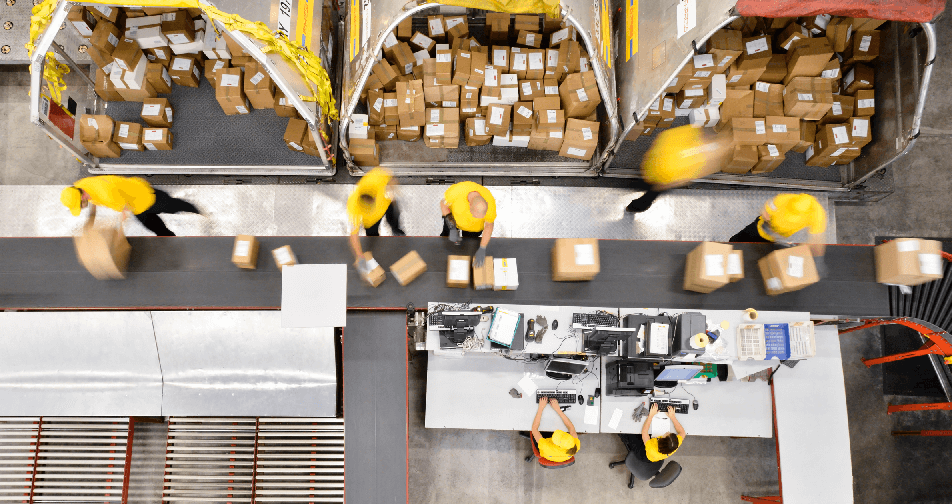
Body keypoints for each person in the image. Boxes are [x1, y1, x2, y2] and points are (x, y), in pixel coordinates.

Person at [626, 125, 731, 213]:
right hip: (660, 181)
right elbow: (683, 180)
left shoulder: (689, 133)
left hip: (650, 169)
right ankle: (634, 207)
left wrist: (647, 160)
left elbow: (662, 136)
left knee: (640, 184)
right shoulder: (704, 161)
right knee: (647, 198)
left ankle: (633, 188)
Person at [60, 175, 200, 236]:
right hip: (133, 201)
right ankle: (169, 239)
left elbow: (124, 211)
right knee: (156, 228)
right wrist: (91, 219)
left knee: (172, 206)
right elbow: (94, 202)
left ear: (82, 197)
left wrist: (119, 230)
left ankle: (194, 209)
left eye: (79, 205)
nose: (81, 208)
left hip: (144, 197)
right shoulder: (79, 185)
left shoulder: (107, 195)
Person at [728, 193, 827, 257]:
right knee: (739, 238)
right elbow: (765, 211)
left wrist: (804, 249)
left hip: (776, 237)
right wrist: (769, 226)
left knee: (756, 253)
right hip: (761, 228)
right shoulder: (784, 199)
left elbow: (817, 239)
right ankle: (730, 245)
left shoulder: (817, 214)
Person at [347, 168, 405, 274]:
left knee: (394, 221)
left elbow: (390, 177)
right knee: (372, 234)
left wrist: (392, 191)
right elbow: (353, 234)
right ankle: (377, 244)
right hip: (371, 222)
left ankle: (396, 231)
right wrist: (360, 256)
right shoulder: (353, 206)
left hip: (386, 206)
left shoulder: (376, 177)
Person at [440, 181, 496, 267]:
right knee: (446, 240)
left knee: (469, 246)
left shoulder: (490, 202)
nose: (475, 218)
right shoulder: (457, 191)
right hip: (453, 220)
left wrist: (482, 248)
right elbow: (443, 204)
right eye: (474, 215)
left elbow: (489, 225)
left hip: (474, 229)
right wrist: (452, 227)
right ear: (469, 205)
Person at [530, 397, 580, 463]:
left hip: (547, 451)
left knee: (542, 429)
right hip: (558, 455)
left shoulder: (546, 446)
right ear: (570, 437)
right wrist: (558, 409)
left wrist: (541, 407)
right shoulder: (575, 446)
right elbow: (571, 428)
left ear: (556, 444)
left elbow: (534, 429)